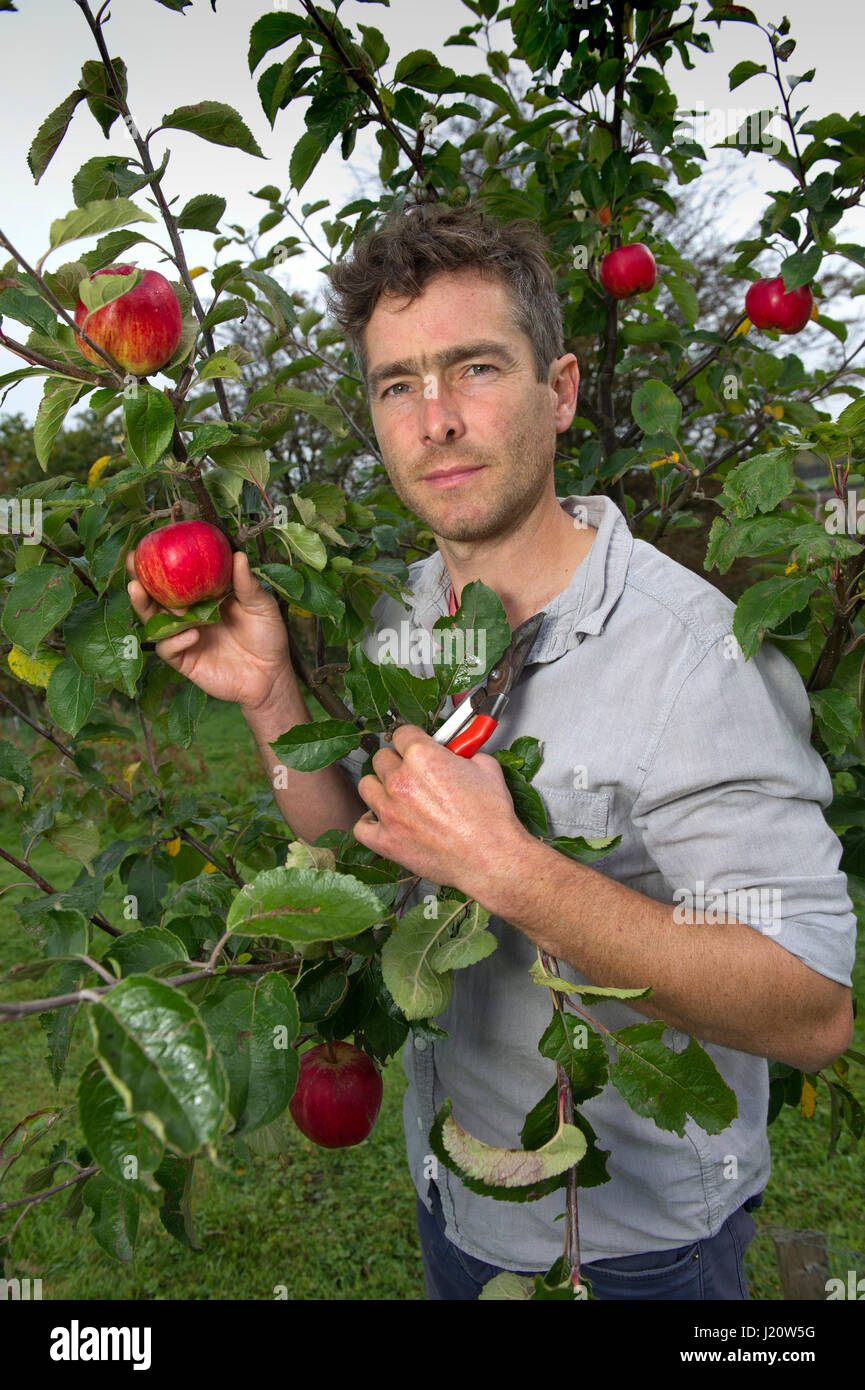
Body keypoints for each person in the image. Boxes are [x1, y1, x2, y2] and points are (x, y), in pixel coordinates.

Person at [126, 202, 856, 1301]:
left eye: (474, 369)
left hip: (631, 1254)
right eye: (397, 384)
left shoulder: (696, 657)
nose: (436, 420)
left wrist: (511, 868)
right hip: (456, 1199)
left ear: (558, 392)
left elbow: (809, 1008)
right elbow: (372, 865)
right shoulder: (408, 616)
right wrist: (273, 697)